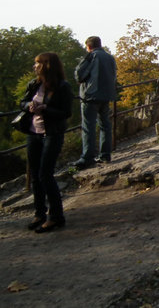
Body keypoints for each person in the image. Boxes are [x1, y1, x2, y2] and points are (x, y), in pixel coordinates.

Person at [20, 52, 73, 233]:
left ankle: (56, 216)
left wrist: (46, 109)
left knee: (45, 174)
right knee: (35, 175)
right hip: (33, 134)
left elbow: (66, 113)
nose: (34, 66)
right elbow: (22, 102)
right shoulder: (34, 84)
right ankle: (39, 213)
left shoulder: (63, 87)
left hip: (52, 134)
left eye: (37, 63)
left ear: (47, 65)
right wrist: (29, 106)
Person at [72, 36, 117, 169]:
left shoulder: (91, 56)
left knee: (88, 127)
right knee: (105, 125)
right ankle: (105, 154)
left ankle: (87, 157)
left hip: (91, 96)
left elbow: (79, 75)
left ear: (89, 46)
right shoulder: (110, 58)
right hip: (106, 95)